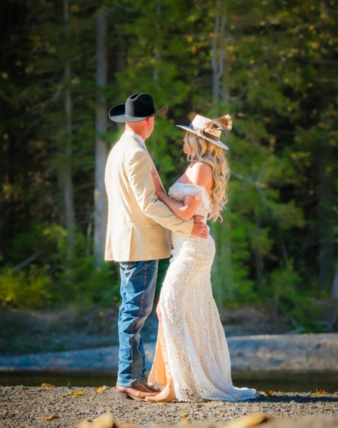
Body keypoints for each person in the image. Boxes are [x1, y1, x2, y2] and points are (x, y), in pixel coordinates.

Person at [145, 114, 258, 403]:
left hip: (193, 249)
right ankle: (177, 381)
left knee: (167, 307)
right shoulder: (195, 167)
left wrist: (159, 193)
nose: (183, 139)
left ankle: (176, 385)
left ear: (196, 140)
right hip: (185, 247)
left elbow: (184, 213)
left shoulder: (200, 169)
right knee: (182, 310)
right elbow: (185, 210)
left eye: (186, 135)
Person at [104, 93, 210, 401]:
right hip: (140, 243)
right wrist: (187, 227)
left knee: (134, 309)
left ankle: (132, 377)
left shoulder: (122, 149)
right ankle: (129, 379)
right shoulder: (134, 152)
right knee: (135, 311)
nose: (154, 124)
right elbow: (148, 205)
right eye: (153, 119)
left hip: (134, 241)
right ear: (146, 121)